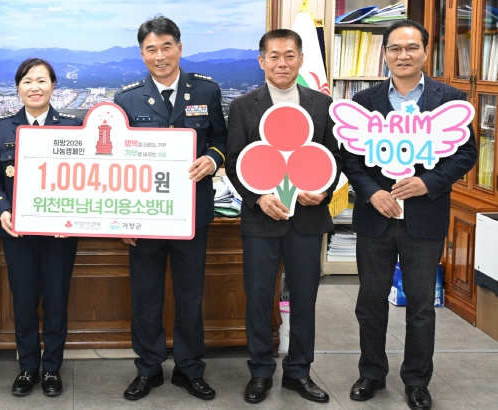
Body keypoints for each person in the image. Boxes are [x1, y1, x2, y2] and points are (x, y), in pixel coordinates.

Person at [341, 20, 477, 410]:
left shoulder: (450, 99)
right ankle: (371, 373)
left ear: (426, 52)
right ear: (385, 53)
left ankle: (417, 380)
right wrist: (372, 192)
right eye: (395, 48)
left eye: (412, 47)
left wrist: (428, 183)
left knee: (420, 305)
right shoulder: (364, 101)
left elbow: (466, 154)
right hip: (376, 219)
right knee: (370, 302)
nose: (403, 55)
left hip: (425, 217)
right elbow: (350, 158)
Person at [113, 15, 226, 401]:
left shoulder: (207, 90)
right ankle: (148, 369)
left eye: (166, 47)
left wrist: (212, 159)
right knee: (146, 297)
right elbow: (117, 164)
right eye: (151, 49)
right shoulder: (127, 99)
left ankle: (189, 369)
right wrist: (122, 219)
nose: (160, 56)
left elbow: (221, 138)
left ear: (179, 47)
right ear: (142, 54)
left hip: (192, 213)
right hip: (144, 217)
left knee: (190, 296)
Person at [225, 29, 341, 405]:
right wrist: (257, 198)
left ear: (301, 59)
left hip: (307, 218)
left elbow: (335, 158)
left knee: (305, 298)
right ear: (262, 62)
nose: (282, 63)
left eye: (289, 55)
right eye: (273, 56)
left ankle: (298, 372)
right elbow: (234, 163)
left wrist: (324, 190)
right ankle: (260, 371)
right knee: (259, 298)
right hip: (261, 220)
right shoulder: (244, 106)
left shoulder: (322, 104)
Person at [0, 58, 81, 397]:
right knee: (23, 302)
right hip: (18, 233)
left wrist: (73, 215)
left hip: (60, 235)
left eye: (41, 80)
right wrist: (1, 210)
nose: (34, 87)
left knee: (56, 301)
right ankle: (27, 368)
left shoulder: (72, 126)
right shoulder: (2, 129)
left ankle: (52, 368)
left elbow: (86, 179)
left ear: (54, 86)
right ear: (18, 88)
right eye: (27, 81)